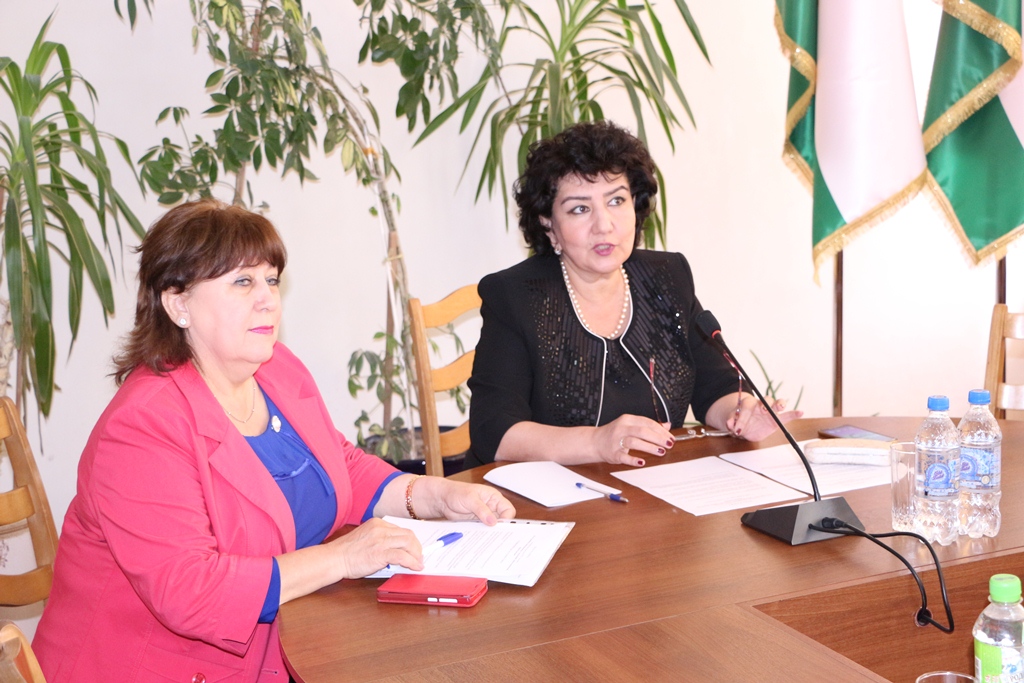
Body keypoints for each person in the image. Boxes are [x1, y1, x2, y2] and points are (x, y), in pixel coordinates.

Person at [33, 200, 515, 682]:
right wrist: (343, 557)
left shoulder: (275, 367)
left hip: (289, 646)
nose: (268, 299)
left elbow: (339, 465)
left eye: (271, 280)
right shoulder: (142, 427)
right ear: (178, 304)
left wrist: (434, 495)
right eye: (242, 282)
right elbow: (191, 592)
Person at [466, 120, 801, 470]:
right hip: (547, 493)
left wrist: (740, 412)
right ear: (549, 224)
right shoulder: (515, 296)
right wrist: (597, 442)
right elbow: (494, 432)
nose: (604, 225)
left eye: (616, 201)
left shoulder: (668, 277)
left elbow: (715, 389)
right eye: (580, 208)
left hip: (650, 487)